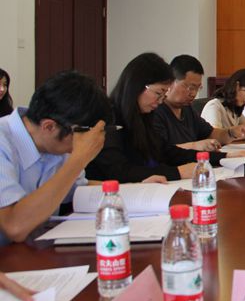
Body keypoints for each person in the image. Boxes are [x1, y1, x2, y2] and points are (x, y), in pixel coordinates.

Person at [0, 71, 110, 244]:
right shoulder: (3, 141)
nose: (80, 144)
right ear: (49, 126)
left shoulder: (54, 141)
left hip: (34, 249)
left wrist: (138, 189)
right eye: (80, 136)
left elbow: (78, 188)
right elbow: (14, 226)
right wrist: (79, 159)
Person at [86, 53, 204, 183]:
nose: (160, 101)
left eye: (164, 95)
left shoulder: (143, 115)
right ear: (137, 86)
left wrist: (215, 158)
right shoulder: (107, 117)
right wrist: (178, 172)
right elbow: (119, 171)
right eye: (158, 93)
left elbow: (166, 151)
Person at [152, 55, 245, 152]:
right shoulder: (155, 111)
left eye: (197, 88)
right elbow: (159, 151)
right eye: (190, 87)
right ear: (170, 82)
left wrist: (231, 132)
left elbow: (211, 134)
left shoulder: (187, 109)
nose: (193, 93)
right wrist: (195, 146)